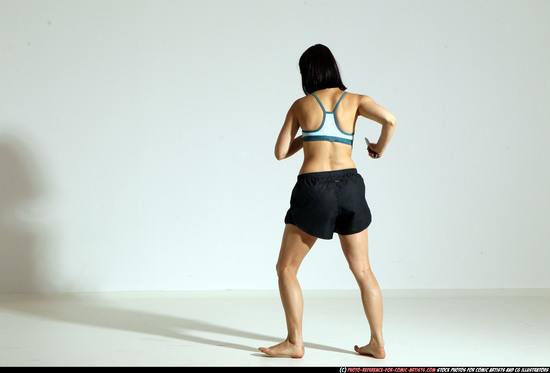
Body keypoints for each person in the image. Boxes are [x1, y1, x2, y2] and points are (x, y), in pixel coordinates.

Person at [258, 44, 396, 359]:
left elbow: (280, 153)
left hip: (313, 188)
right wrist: (377, 147)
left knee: (287, 268)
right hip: (350, 185)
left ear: (307, 73)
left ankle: (295, 342)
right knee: (363, 269)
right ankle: (377, 343)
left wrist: (309, 134)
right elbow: (390, 120)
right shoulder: (357, 100)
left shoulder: (301, 105)